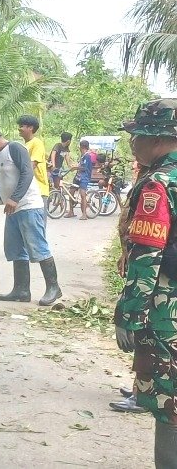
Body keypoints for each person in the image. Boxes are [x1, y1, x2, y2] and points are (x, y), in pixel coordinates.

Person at [113, 99, 177, 468]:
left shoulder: (157, 184)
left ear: (155, 139)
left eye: (135, 136)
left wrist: (130, 316)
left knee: (169, 403)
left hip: (168, 311)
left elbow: (146, 258)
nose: (132, 143)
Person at [0, 123, 62, 306]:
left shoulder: (15, 148)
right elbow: (1, 185)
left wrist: (14, 198)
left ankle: (54, 288)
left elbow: (27, 174)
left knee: (37, 247)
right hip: (12, 209)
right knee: (15, 249)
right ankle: (21, 290)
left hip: (28, 206)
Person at [17, 115, 50, 212]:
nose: (19, 129)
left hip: (39, 190)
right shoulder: (24, 145)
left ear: (30, 128)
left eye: (22, 126)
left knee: (38, 225)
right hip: (29, 190)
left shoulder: (37, 143)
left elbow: (32, 165)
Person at [65, 140, 93, 220]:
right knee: (71, 192)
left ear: (82, 147)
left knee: (82, 194)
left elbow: (84, 168)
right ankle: (71, 211)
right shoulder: (82, 156)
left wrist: (75, 167)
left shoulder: (87, 156)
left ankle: (84, 214)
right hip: (78, 176)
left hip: (84, 177)